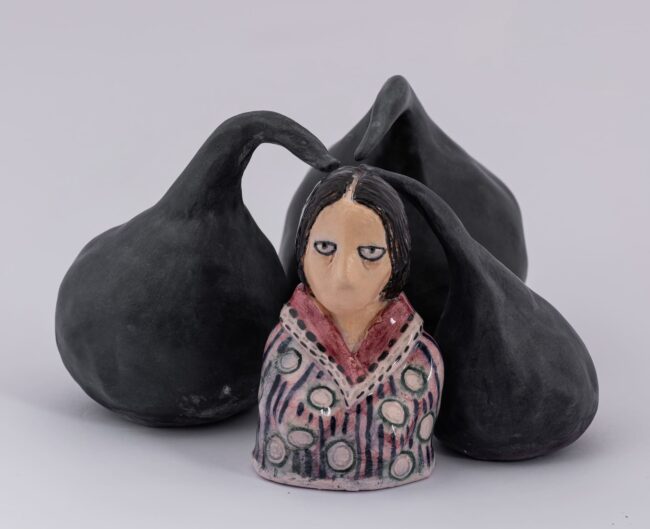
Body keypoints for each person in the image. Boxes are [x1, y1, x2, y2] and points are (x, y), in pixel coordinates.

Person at [251, 164, 444, 491]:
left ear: (397, 257)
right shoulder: (282, 348)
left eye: (370, 253)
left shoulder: (422, 359)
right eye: (325, 248)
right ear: (303, 249)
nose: (343, 276)